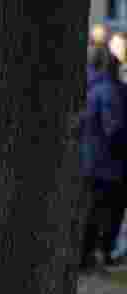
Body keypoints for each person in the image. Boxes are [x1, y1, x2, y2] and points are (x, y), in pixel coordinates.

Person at [81, 45, 126, 273]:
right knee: (106, 212)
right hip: (108, 165)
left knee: (90, 211)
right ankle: (99, 255)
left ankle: (87, 255)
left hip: (90, 162)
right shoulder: (109, 91)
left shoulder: (89, 87)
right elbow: (114, 129)